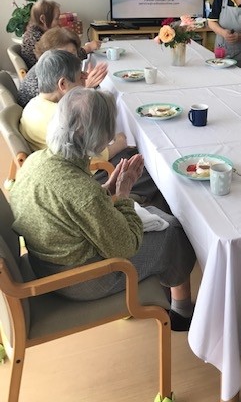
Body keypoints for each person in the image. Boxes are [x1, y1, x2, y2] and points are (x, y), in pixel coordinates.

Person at [10, 86, 196, 331]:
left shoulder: (37, 160)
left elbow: (70, 207)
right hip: (80, 280)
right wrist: (123, 194)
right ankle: (182, 312)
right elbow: (125, 245)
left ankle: (168, 287)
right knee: (173, 231)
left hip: (44, 263)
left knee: (154, 215)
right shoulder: (83, 193)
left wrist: (107, 189)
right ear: (97, 135)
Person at [20, 50, 161, 204]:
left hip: (61, 170)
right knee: (151, 171)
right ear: (63, 84)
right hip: (85, 173)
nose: (86, 77)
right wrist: (120, 143)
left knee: (134, 159)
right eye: (80, 76)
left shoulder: (33, 104)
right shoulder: (60, 116)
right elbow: (93, 153)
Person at [18, 26, 108, 108]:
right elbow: (67, 111)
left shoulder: (53, 66)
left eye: (74, 54)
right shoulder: (39, 82)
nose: (71, 60)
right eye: (64, 55)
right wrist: (85, 88)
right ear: (51, 55)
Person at [21, 0, 100, 70]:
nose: (59, 22)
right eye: (56, 18)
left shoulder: (32, 33)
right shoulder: (36, 40)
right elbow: (63, 61)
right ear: (43, 19)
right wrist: (88, 48)